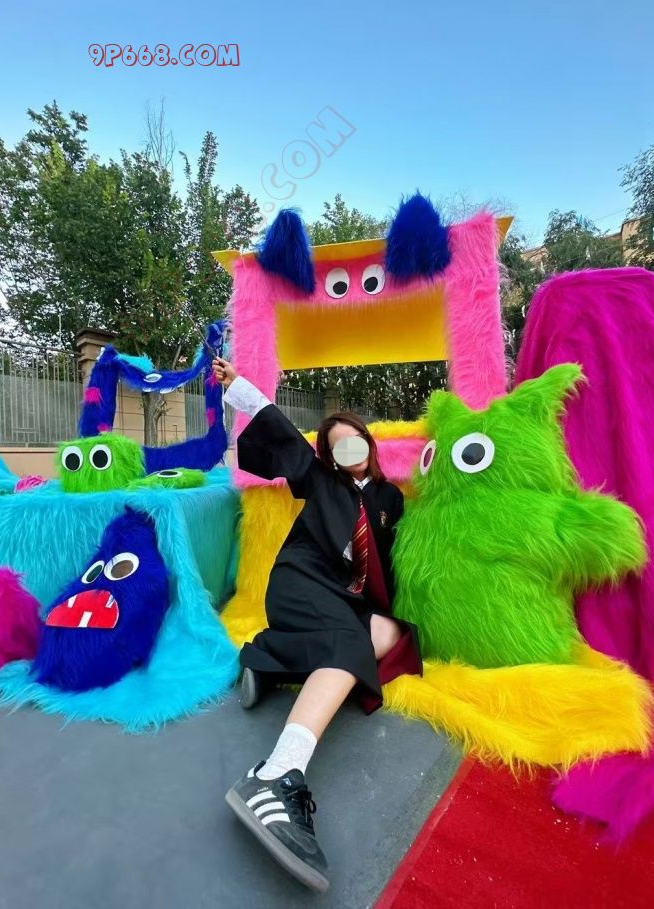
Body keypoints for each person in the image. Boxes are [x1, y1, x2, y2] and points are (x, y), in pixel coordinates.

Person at [213, 357, 422, 893]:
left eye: (357, 439)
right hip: (301, 581)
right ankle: (275, 775)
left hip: (347, 598)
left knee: (388, 635)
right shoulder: (319, 479)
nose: (350, 448)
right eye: (338, 444)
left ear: (369, 445)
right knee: (348, 644)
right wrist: (241, 388)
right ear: (329, 456)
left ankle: (267, 657)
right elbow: (280, 431)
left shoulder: (389, 499)